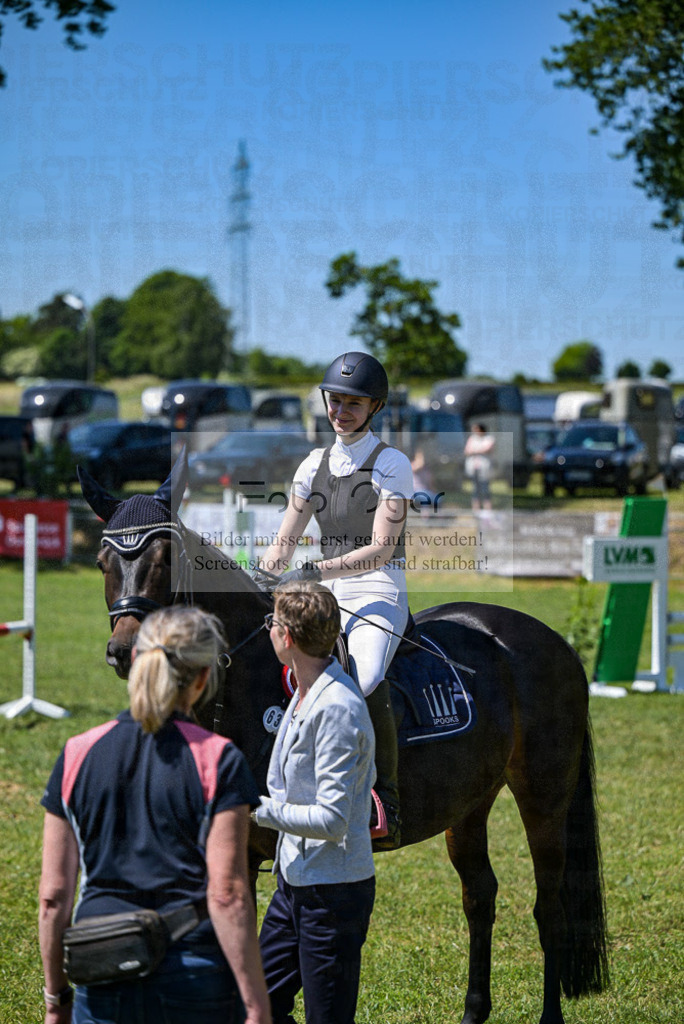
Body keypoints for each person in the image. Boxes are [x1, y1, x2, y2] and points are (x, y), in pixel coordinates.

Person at [39, 606, 271, 1024]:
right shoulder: (218, 759)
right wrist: (256, 1005)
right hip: (191, 969)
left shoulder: (76, 752)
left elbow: (53, 898)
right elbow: (228, 894)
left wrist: (56, 998)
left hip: (100, 962)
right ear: (202, 679)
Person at [260, 351, 413, 848]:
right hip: (324, 591)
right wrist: (259, 576)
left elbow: (380, 548)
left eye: (353, 402)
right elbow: (285, 542)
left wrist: (313, 569)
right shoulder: (312, 464)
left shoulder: (392, 463)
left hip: (377, 587)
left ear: (375, 407)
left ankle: (383, 799)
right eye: (335, 400)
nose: (340, 410)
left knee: (363, 677)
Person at [256, 581, 376, 1024]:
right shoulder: (305, 689)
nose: (268, 629)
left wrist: (254, 808)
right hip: (293, 884)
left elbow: (332, 818)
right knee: (256, 1005)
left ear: (286, 637)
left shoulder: (338, 708)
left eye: (273, 623)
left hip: (333, 895)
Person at [464, 421, 495, 512]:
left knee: (485, 488)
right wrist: (477, 450)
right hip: (473, 467)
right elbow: (467, 451)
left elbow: (487, 449)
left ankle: (487, 510)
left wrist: (475, 451)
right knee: (475, 489)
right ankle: (476, 510)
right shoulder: (472, 439)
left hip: (484, 467)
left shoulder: (489, 438)